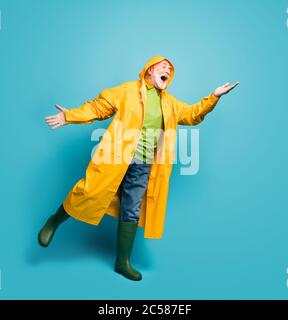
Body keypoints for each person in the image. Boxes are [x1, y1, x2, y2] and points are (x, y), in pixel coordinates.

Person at [38, 56, 239, 281]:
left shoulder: (169, 102)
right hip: (116, 156)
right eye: (163, 66)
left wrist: (213, 97)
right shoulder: (127, 91)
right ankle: (53, 221)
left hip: (143, 163)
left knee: (132, 207)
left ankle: (122, 262)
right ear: (150, 69)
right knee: (89, 190)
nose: (168, 70)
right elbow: (98, 107)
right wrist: (69, 116)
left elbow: (192, 114)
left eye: (170, 69)